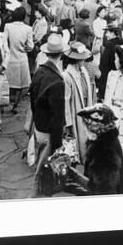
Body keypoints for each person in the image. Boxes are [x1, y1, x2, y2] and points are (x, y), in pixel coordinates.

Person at [30, 33, 68, 196]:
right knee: (44, 172)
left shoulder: (39, 71)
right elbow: (57, 117)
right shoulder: (57, 81)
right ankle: (37, 197)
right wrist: (58, 143)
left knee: (41, 165)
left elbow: (31, 98)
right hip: (48, 132)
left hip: (38, 127)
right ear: (61, 54)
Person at [77, 104, 123, 195]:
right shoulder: (107, 140)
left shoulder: (104, 149)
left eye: (87, 123)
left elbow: (104, 188)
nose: (85, 128)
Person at [63, 42, 94, 164]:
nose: (84, 60)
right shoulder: (66, 76)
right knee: (74, 146)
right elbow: (65, 101)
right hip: (75, 110)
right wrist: (68, 123)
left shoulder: (84, 71)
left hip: (86, 110)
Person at [4, 6, 34, 113]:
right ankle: (15, 105)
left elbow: (4, 42)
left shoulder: (7, 26)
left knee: (7, 83)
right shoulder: (28, 28)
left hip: (10, 58)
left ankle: (4, 104)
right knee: (19, 85)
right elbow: (30, 46)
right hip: (22, 58)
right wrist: (25, 48)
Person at [97, 24, 123, 100]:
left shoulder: (109, 44)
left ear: (113, 33)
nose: (106, 35)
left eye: (107, 32)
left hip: (110, 73)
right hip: (121, 72)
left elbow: (104, 62)